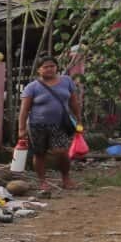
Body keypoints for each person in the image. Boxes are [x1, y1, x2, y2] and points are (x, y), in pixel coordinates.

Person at [18, 55, 83, 190]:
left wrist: (79, 120)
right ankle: (43, 182)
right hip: (37, 125)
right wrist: (22, 129)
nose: (49, 69)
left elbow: (74, 102)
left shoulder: (66, 81)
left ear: (56, 67)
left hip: (60, 124)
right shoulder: (32, 87)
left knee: (62, 152)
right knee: (39, 154)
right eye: (45, 67)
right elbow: (24, 110)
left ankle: (66, 178)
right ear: (39, 70)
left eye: (52, 66)